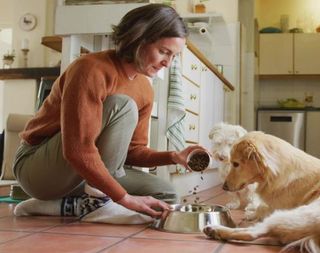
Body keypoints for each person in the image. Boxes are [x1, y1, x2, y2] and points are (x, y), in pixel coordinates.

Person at [12, 4, 203, 220]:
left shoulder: (145, 89)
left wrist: (173, 156)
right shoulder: (89, 69)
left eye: (174, 56)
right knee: (122, 104)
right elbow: (77, 150)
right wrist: (125, 198)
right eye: (163, 52)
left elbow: (132, 151)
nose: (167, 63)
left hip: (84, 172)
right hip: (38, 168)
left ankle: (69, 205)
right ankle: (98, 202)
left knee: (165, 196)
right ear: (138, 39)